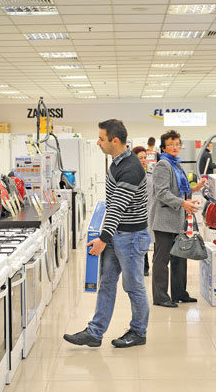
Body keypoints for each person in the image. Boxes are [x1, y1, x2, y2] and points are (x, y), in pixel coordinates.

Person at [63, 119, 151, 348]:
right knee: (107, 283)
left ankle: (138, 332)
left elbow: (117, 207)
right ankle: (95, 332)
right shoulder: (117, 162)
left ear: (115, 140)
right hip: (118, 233)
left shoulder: (130, 169)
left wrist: (103, 238)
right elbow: (113, 205)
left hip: (131, 237)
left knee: (133, 286)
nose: (98, 142)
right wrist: (106, 235)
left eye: (101, 139)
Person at [149, 130, 205, 307]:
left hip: (178, 219)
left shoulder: (176, 164)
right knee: (162, 260)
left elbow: (181, 190)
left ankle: (180, 293)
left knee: (180, 257)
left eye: (177, 144)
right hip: (165, 221)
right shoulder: (163, 165)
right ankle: (160, 297)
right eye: (171, 144)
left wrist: (195, 188)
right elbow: (162, 193)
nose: (175, 147)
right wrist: (183, 203)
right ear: (163, 147)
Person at [132, 146, 150, 276]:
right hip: (135, 214)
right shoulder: (132, 175)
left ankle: (145, 266)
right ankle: (142, 266)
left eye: (145, 158)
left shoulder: (148, 174)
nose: (143, 160)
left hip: (147, 211)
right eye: (140, 158)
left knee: (144, 239)